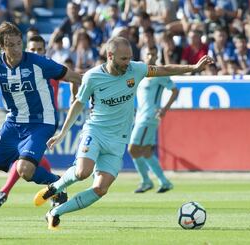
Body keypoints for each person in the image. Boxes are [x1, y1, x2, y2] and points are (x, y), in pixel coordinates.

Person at [33, 36, 213, 230]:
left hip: (119, 139)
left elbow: (164, 69)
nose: (128, 63)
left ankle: (54, 213)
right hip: (96, 131)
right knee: (82, 172)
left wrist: (192, 68)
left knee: (101, 189)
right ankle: (54, 188)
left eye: (129, 58)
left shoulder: (136, 69)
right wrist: (61, 133)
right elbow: (78, 104)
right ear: (110, 56)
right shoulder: (92, 77)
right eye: (123, 59)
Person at [0, 22, 81, 226]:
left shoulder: (39, 63)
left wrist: (87, 92)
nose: (16, 49)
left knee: (25, 170)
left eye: (19, 43)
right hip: (13, 123)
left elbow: (76, 77)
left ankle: (56, 183)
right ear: (2, 47)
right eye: (11, 45)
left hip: (42, 122)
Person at [0, 35, 78, 208]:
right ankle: (53, 188)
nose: (36, 52)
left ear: (45, 50)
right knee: (28, 161)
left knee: (25, 161)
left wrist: (74, 97)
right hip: (22, 121)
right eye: (32, 49)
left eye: (39, 49)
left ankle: (5, 191)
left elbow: (73, 77)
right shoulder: (23, 67)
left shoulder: (47, 67)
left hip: (44, 121)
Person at [128, 45, 178, 194]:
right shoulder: (141, 73)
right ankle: (164, 182)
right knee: (146, 151)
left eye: (154, 55)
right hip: (141, 116)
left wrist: (164, 109)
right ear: (144, 56)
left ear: (157, 57)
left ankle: (146, 181)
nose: (151, 57)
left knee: (133, 149)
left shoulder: (160, 74)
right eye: (148, 54)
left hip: (149, 117)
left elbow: (175, 90)